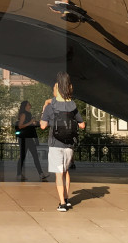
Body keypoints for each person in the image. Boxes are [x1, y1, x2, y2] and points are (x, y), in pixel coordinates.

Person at [39, 72, 86, 212]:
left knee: (59, 174)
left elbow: (42, 125)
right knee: (66, 172)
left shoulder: (50, 107)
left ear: (56, 90)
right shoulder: (72, 106)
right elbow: (82, 125)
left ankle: (62, 203)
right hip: (69, 144)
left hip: (55, 143)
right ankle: (66, 198)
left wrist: (44, 110)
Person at [15, 100, 47, 182]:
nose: (30, 105)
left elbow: (28, 125)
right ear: (25, 106)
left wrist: (33, 123)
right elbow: (20, 126)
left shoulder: (29, 114)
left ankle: (41, 174)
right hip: (23, 139)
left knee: (35, 156)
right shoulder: (23, 114)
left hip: (29, 138)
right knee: (22, 157)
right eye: (29, 104)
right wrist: (30, 122)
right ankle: (19, 174)